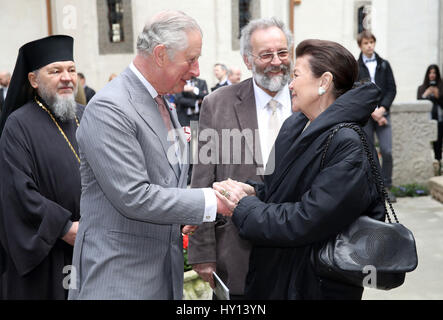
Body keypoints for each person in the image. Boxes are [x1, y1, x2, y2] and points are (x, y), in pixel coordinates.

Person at [68, 10, 227, 300]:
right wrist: (212, 201)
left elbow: (165, 181)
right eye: (191, 59)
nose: (196, 70)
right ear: (161, 54)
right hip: (119, 279)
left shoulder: (162, 102)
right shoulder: (110, 108)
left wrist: (183, 213)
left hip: (160, 275)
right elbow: (134, 196)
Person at [214, 39, 383, 300]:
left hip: (314, 285)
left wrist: (243, 207)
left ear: (324, 82)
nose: (290, 84)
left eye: (296, 75)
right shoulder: (296, 127)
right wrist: (254, 192)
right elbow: (285, 191)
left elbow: (308, 219)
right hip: (279, 275)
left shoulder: (348, 143)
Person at [188, 17, 293, 299]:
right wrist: (202, 250)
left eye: (283, 53)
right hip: (236, 253)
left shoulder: (309, 100)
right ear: (248, 60)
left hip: (298, 256)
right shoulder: (217, 104)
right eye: (266, 55)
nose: (276, 62)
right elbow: (202, 179)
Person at [0, 35, 82, 299]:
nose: (67, 77)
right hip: (47, 253)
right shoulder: (18, 125)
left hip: (93, 243)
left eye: (71, 69)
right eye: (55, 71)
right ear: (34, 80)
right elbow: (16, 191)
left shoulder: (88, 114)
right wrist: (64, 228)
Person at [357, 30, 397, 201]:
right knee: (368, 152)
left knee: (387, 151)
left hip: (383, 114)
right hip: (366, 116)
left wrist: (382, 110)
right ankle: (372, 188)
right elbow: (356, 90)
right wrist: (372, 111)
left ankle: (386, 187)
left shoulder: (384, 64)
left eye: (371, 42)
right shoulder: (355, 66)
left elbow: (391, 89)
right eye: (366, 43)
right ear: (360, 45)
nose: (369, 46)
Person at [417, 64, 443, 175]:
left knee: (438, 143)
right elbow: (418, 104)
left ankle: (439, 165)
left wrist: (438, 96)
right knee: (425, 144)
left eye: (434, 73)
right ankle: (426, 168)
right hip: (426, 121)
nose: (432, 75)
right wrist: (425, 94)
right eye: (430, 72)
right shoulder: (421, 88)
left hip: (440, 120)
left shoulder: (441, 88)